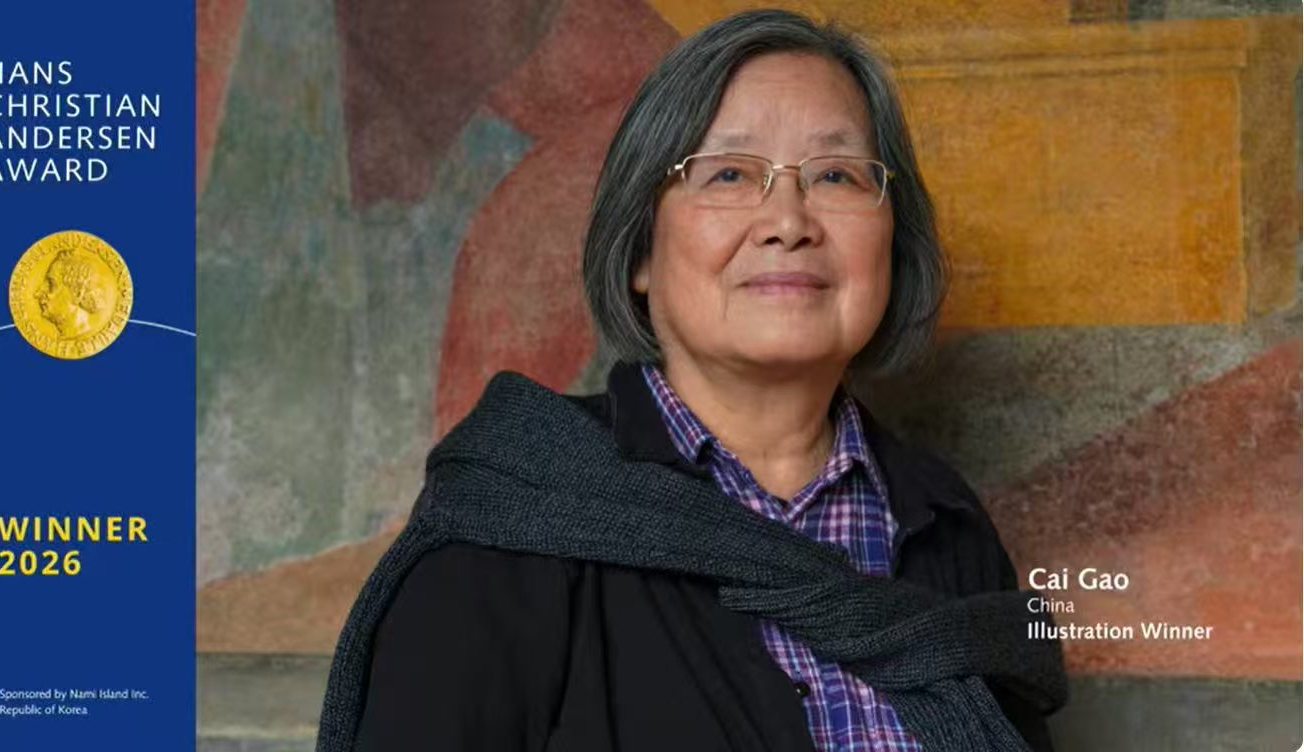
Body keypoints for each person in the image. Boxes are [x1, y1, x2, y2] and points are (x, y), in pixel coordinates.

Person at [317, 9, 1066, 752]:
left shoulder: (947, 527)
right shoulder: (510, 526)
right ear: (641, 250)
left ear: (893, 245)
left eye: (836, 174)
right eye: (730, 173)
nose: (788, 222)